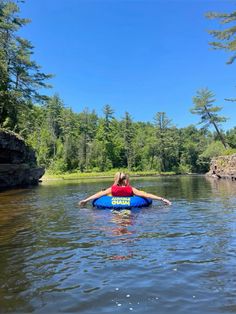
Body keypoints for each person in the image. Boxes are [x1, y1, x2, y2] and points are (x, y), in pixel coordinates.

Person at [79, 172, 172, 206]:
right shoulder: (131, 189)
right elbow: (146, 195)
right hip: (131, 206)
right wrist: (162, 199)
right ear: (125, 180)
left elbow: (98, 195)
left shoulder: (112, 189)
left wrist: (86, 200)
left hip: (113, 208)